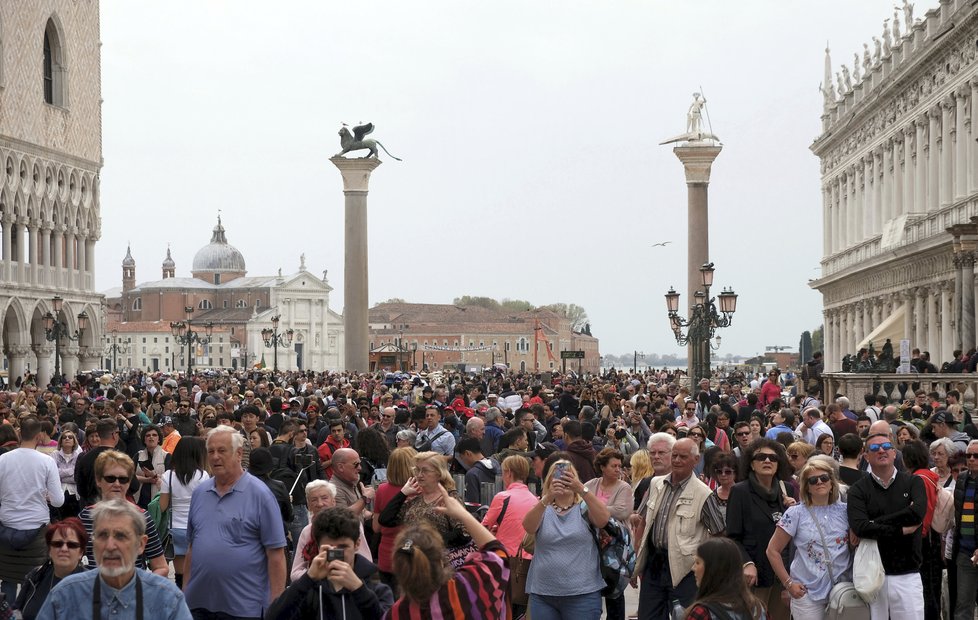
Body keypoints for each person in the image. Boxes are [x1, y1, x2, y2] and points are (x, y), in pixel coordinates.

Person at [184, 425, 287, 620]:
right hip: (197, 605)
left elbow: (276, 555)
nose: (215, 457)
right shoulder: (199, 493)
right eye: (211, 451)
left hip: (243, 608)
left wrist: (276, 606)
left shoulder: (261, 495)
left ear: (239, 454)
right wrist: (185, 592)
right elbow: (192, 548)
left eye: (222, 451)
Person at [35, 499, 192, 620]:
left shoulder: (167, 599)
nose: (110, 546)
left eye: (121, 536)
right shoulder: (65, 595)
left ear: (141, 544)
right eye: (102, 535)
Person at [386, 483, 510, 619]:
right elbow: (498, 555)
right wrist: (463, 514)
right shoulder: (466, 588)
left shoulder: (396, 613)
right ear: (440, 560)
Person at [633, 438, 725, 618]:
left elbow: (719, 533)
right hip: (654, 564)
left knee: (686, 616)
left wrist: (705, 568)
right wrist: (637, 560)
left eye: (683, 457)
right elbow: (642, 521)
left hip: (686, 570)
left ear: (696, 460)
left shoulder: (703, 493)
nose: (676, 460)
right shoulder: (655, 484)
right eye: (674, 455)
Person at [847, 431, 926, 619]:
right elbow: (860, 528)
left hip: (907, 574)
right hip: (872, 575)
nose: (881, 450)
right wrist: (900, 529)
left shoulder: (913, 482)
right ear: (866, 456)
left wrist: (873, 523)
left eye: (886, 447)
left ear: (894, 453)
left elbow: (917, 514)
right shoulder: (858, 489)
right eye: (874, 448)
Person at [267, 507, 393, 620]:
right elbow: (274, 616)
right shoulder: (309, 590)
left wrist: (359, 589)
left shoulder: (376, 588)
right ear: (318, 546)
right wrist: (307, 579)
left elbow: (384, 616)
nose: (337, 553)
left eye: (343, 547)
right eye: (329, 548)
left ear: (357, 544)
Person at [522, 458, 610, 619]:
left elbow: (603, 519)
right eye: (557, 477)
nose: (562, 480)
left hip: (583, 594)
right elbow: (528, 526)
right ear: (549, 481)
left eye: (568, 477)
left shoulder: (585, 507)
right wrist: (548, 498)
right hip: (543, 594)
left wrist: (582, 489)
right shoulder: (542, 507)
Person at [766, 459, 849, 620]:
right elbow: (772, 550)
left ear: (832, 482)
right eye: (813, 480)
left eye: (824, 478)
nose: (819, 482)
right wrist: (789, 584)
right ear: (807, 486)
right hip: (807, 592)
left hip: (842, 591)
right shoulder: (795, 513)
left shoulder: (846, 511)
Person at [726, 438, 795, 620]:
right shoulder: (740, 491)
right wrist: (747, 564)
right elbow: (732, 536)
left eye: (773, 458)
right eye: (761, 457)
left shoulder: (786, 490)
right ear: (751, 463)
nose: (767, 461)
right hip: (755, 573)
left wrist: (794, 510)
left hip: (783, 574)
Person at [0, 417, 65, 604]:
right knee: (37, 578)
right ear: (39, 436)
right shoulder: (46, 461)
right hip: (37, 527)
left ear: (20, 433)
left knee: (8, 578)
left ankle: (7, 614)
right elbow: (59, 501)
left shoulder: (3, 459)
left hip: (7, 526)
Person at [78, 450, 169, 577]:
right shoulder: (85, 517)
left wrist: (141, 587)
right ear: (98, 481)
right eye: (110, 478)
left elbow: (161, 566)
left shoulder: (142, 517)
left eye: (123, 479)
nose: (117, 484)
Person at [378, 451, 476, 569]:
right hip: (412, 564)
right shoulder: (415, 499)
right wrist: (403, 493)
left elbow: (464, 533)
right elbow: (385, 519)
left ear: (439, 474)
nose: (419, 475)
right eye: (417, 470)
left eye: (425, 470)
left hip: (438, 566)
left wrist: (427, 540)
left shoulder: (449, 498)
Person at [584, 447, 632, 620]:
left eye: (620, 466)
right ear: (603, 467)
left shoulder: (624, 487)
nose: (618, 469)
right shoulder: (591, 485)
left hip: (615, 547)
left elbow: (622, 511)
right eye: (614, 466)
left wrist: (593, 507)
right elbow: (579, 504)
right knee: (593, 588)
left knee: (614, 590)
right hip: (593, 545)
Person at [158, 437, 209, 589]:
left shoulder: (169, 476)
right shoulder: (203, 475)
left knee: (180, 574)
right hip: (196, 529)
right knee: (193, 572)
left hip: (175, 529)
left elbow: (163, 506)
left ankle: (180, 600)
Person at [13, 518, 87, 620]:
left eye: (71, 545)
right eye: (57, 544)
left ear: (81, 552)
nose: (64, 549)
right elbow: (16, 612)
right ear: (49, 551)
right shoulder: (35, 577)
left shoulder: (91, 585)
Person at [902, 439, 942, 620]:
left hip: (922, 536)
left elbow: (920, 512)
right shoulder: (928, 476)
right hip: (930, 535)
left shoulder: (918, 479)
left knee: (924, 587)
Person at [685, 537, 767, 620]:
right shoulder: (759, 609)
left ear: (713, 569)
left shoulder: (702, 613)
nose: (693, 568)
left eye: (697, 562)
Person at [371, 447, 415, 587]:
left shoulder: (382, 489)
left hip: (387, 555)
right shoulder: (419, 490)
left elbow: (376, 527)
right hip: (411, 556)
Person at [482, 454, 538, 556]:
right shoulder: (535, 501)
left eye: (503, 472)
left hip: (505, 558)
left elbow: (483, 527)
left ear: (509, 473)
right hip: (529, 559)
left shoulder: (502, 497)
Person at [951, 439, 978, 620]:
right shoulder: (962, 479)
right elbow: (958, 514)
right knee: (963, 604)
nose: (971, 459)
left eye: (976, 456)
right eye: (968, 455)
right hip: (965, 550)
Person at [135, 424, 170, 508]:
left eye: (154, 435)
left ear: (159, 439)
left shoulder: (166, 456)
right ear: (144, 439)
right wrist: (147, 480)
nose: (151, 437)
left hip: (158, 500)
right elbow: (130, 476)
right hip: (139, 500)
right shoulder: (138, 455)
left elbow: (170, 479)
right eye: (148, 435)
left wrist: (154, 476)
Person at [51, 429, 81, 520]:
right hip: (58, 492)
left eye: (70, 437)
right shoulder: (54, 455)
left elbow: (77, 477)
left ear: (74, 441)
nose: (67, 439)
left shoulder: (79, 455)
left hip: (74, 494)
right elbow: (53, 474)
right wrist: (71, 471)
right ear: (60, 441)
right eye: (64, 437)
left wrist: (60, 475)